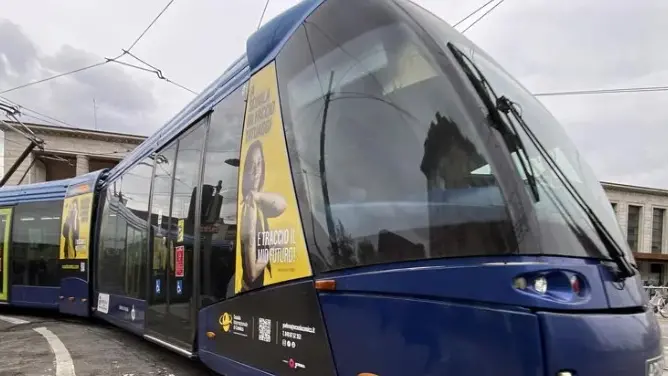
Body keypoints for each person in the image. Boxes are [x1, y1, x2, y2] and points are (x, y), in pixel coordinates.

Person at [239, 140, 287, 292]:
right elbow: (253, 273)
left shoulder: (256, 203)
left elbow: (281, 205)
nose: (255, 172)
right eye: (251, 167)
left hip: (252, 291)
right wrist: (270, 252)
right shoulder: (250, 208)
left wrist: (258, 196)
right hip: (250, 291)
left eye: (259, 165)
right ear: (245, 172)